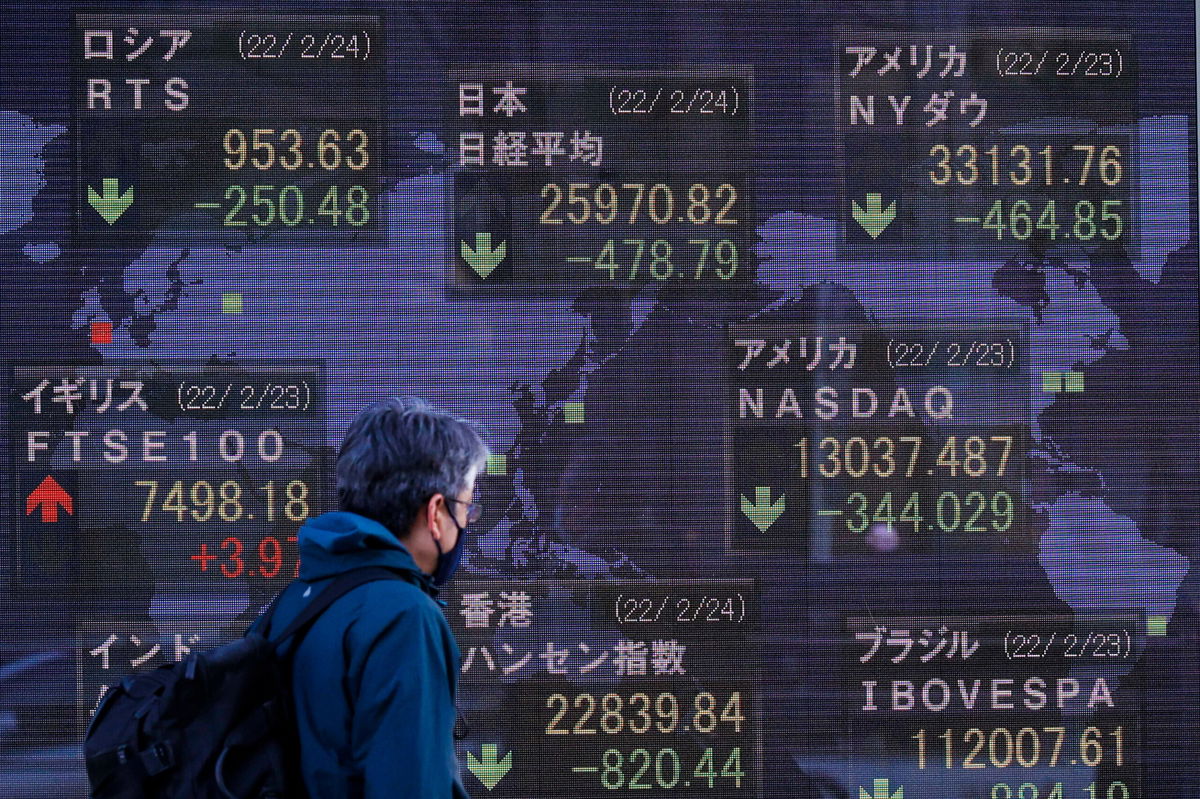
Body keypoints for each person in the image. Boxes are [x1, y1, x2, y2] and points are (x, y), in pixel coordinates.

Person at [248, 396, 489, 798]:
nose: (466, 522)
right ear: (435, 512)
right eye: (466, 506)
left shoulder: (295, 601)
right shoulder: (404, 615)